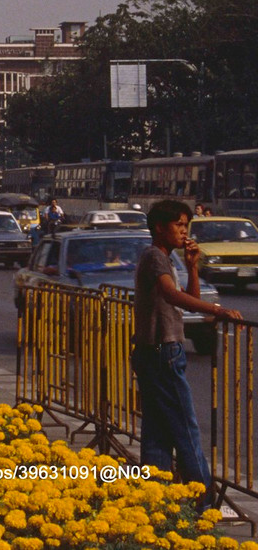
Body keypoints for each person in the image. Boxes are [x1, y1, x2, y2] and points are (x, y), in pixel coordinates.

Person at [131, 199, 242, 511]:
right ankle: (204, 505)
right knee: (186, 430)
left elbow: (188, 298)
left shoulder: (164, 258)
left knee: (157, 432)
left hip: (153, 351)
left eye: (186, 226)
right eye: (179, 225)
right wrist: (218, 309)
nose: (184, 232)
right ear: (159, 227)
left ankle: (155, 501)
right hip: (162, 351)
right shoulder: (155, 256)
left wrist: (192, 266)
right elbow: (171, 295)